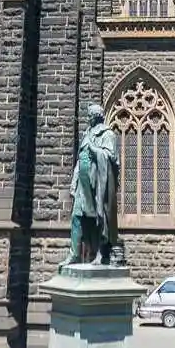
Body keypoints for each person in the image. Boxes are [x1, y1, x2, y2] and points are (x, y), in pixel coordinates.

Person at [63, 102, 120, 266]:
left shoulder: (108, 135)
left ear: (97, 117)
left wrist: (94, 149)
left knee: (99, 218)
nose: (88, 118)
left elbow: (111, 157)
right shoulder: (87, 133)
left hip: (98, 184)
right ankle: (74, 254)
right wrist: (74, 181)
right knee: (76, 216)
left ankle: (101, 254)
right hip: (83, 183)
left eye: (90, 116)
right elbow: (80, 159)